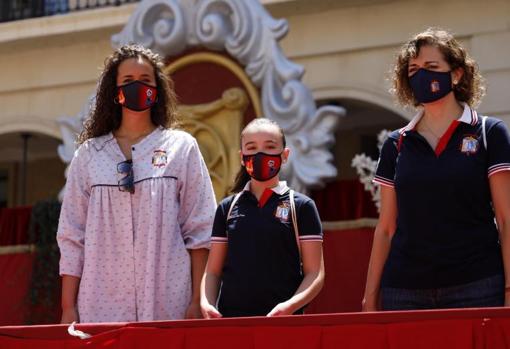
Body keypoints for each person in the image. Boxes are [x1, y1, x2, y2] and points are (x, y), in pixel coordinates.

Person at [57, 44, 217, 323]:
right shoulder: (89, 155)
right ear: (114, 91)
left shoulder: (181, 147)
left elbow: (201, 229)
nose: (137, 87)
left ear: (157, 91)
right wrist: (68, 307)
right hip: (100, 303)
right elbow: (72, 235)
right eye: (128, 82)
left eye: (145, 81)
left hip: (169, 300)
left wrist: (197, 299)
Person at [362, 28, 510, 311]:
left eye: (431, 67)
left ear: (456, 74)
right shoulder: (397, 143)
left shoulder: (489, 132)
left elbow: (506, 219)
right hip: (404, 292)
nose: (421, 76)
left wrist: (509, 289)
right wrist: (369, 298)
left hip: (478, 287)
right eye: (413, 69)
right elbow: (385, 229)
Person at [200, 118, 325, 318]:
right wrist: (206, 304)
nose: (260, 154)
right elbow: (213, 271)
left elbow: (315, 273)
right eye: (252, 147)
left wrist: (289, 307)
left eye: (270, 146)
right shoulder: (227, 208)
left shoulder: (301, 206)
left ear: (285, 155)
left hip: (284, 325)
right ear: (242, 157)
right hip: (233, 323)